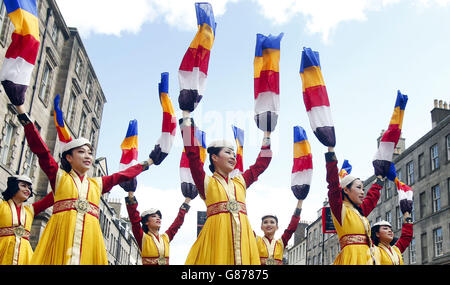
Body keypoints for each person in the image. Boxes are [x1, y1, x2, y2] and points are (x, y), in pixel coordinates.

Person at [14, 105, 153, 265]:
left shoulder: (97, 184)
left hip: (89, 242)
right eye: (81, 152)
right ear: (69, 158)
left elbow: (121, 175)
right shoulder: (59, 177)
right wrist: (22, 113)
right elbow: (42, 152)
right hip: (61, 240)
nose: (87, 156)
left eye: (89, 153)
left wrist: (148, 162)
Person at [180, 111, 272, 265]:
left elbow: (261, 164)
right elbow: (193, 155)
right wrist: (186, 120)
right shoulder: (206, 182)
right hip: (217, 240)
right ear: (214, 157)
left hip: (244, 240)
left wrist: (267, 134)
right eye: (228, 153)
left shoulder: (241, 181)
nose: (233, 157)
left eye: (234, 154)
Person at [325, 147, 384, 265]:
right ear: (346, 189)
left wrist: (379, 180)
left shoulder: (359, 212)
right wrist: (331, 152)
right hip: (351, 258)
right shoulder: (340, 209)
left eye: (363, 189)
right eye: (358, 188)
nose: (363, 192)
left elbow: (371, 199)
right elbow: (333, 185)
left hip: (367, 258)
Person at [125, 191, 191, 265]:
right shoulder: (143, 238)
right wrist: (131, 195)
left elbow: (177, 223)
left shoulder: (165, 237)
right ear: (146, 222)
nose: (158, 219)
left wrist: (187, 200)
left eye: (159, 217)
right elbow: (134, 220)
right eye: (154, 216)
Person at [0, 175, 54, 265]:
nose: (28, 190)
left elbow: (51, 198)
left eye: (29, 188)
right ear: (14, 186)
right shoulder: (2, 206)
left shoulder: (30, 210)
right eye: (23, 186)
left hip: (25, 256)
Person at [256, 200, 303, 265]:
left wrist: (300, 201)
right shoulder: (256, 240)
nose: (269, 224)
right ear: (261, 227)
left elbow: (291, 228)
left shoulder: (281, 243)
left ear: (277, 227)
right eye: (265, 222)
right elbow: (244, 226)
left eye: (272, 222)